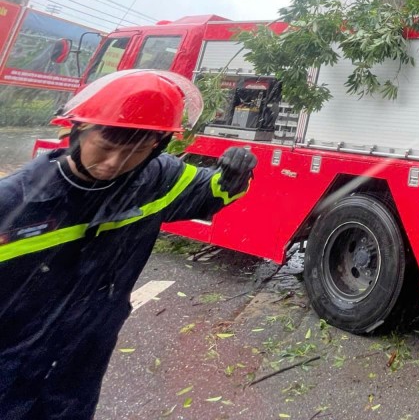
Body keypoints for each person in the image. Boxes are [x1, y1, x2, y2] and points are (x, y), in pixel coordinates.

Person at [0, 69, 258, 419]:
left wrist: (233, 176)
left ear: (158, 147)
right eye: (104, 148)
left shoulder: (158, 178)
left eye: (134, 152)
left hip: (84, 357)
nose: (113, 164)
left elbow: (211, 193)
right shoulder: (15, 201)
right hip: (12, 362)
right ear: (77, 131)